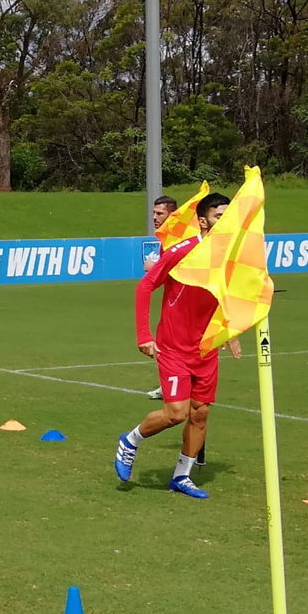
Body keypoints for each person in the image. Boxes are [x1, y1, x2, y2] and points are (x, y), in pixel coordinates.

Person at [114, 192, 239, 499]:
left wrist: (230, 332)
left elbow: (224, 294)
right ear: (202, 221)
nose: (223, 223)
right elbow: (145, 286)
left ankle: (181, 476)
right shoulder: (182, 251)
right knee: (176, 413)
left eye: (227, 217)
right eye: (217, 217)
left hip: (206, 349)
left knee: (201, 413)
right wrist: (144, 335)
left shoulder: (227, 254)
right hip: (173, 348)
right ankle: (130, 440)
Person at [144, 196, 178, 400]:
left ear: (172, 215)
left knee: (168, 345)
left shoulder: (176, 239)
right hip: (172, 300)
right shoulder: (167, 238)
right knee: (166, 344)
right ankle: (168, 385)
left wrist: (154, 269)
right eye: (154, 213)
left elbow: (179, 271)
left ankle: (171, 387)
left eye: (159, 213)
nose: (155, 217)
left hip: (181, 303)